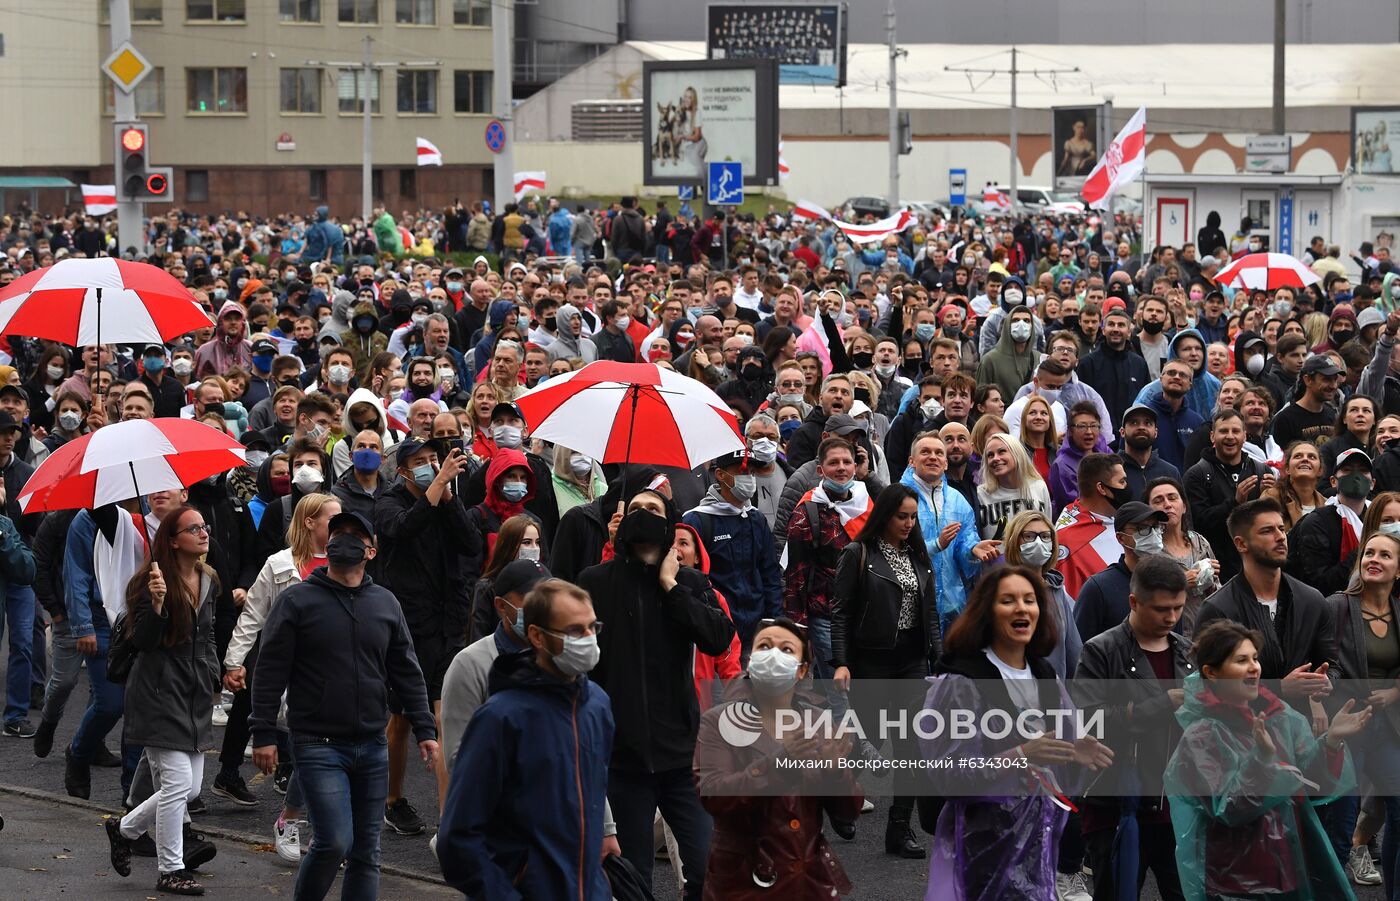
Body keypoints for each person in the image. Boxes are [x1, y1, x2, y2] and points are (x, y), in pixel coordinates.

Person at [250, 509, 439, 901]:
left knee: (366, 851)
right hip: (317, 744)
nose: (344, 539)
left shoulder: (385, 603)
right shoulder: (296, 601)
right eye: (338, 533)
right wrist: (263, 732)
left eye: (356, 535)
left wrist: (425, 729)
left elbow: (407, 670)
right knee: (334, 841)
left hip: (372, 744)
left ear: (371, 551)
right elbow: (269, 670)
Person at [918, 564, 1113, 901]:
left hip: (1039, 843)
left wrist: (1073, 751)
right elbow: (950, 774)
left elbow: (1062, 765)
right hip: (981, 845)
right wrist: (1022, 755)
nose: (1022, 608)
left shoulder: (1045, 675)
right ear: (986, 612)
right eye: (1008, 601)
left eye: (1030, 600)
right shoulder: (961, 682)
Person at [577, 488, 735, 899]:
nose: (644, 517)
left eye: (654, 510)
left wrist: (671, 584)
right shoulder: (595, 582)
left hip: (682, 756)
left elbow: (718, 637)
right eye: (635, 510)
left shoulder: (690, 582)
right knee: (633, 881)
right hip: (623, 760)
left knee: (708, 869)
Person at [1164, 619, 1368, 901]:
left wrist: (1332, 741)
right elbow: (1229, 809)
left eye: (1255, 658)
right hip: (1236, 880)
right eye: (1241, 660)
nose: (1254, 667)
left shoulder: (1278, 716)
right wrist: (1262, 760)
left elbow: (1310, 783)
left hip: (1288, 863)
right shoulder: (1202, 736)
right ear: (1211, 672)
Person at [437, 578, 615, 900]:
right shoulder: (501, 718)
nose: (588, 640)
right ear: (536, 636)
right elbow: (458, 838)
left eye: (593, 627)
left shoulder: (598, 706)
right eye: (574, 631)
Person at [692, 616, 863, 899]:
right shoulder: (718, 722)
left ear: (802, 670)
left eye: (786, 650)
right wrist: (781, 761)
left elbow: (847, 813)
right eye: (764, 646)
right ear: (750, 661)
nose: (773, 655)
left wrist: (836, 773)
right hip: (744, 882)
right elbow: (715, 796)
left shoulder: (819, 722)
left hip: (807, 883)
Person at [103, 507, 221, 897]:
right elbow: (144, 643)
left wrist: (215, 674)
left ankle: (124, 829)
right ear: (173, 539)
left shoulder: (208, 578)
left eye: (204, 526)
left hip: (195, 693)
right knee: (176, 784)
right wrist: (155, 606)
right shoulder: (147, 581)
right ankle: (170, 869)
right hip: (157, 691)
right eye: (194, 528)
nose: (203, 533)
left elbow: (207, 636)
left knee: (189, 789)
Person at [831, 484, 941, 858]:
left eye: (913, 517)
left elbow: (930, 614)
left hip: (911, 659)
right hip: (871, 658)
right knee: (872, 739)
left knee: (912, 743)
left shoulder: (918, 556)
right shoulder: (858, 553)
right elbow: (841, 611)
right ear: (885, 516)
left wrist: (940, 660)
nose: (909, 523)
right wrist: (841, 661)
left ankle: (899, 827)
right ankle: (837, 795)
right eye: (901, 516)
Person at [1073, 554, 1192, 901]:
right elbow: (1088, 720)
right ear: (1134, 602)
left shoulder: (1187, 651)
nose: (1171, 617)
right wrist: (1162, 704)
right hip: (1117, 805)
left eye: (1178, 608)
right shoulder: (1101, 650)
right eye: (1160, 609)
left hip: (1177, 809)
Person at [375, 436, 478, 834]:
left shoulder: (449, 501)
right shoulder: (389, 502)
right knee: (400, 718)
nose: (432, 466)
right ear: (403, 470)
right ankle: (392, 798)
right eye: (421, 461)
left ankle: (449, 821)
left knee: (443, 716)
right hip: (408, 626)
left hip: (449, 621)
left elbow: (470, 543)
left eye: (435, 458)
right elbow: (402, 529)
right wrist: (436, 490)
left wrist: (449, 499)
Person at [1197, 498, 1340, 715]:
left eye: (1282, 529)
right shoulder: (1217, 609)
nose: (1280, 536)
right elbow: (1209, 687)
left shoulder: (1312, 600)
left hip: (1299, 734)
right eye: (1267, 531)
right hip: (1241, 734)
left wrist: (1326, 681)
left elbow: (1332, 663)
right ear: (1241, 543)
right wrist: (1279, 690)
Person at [1326, 532, 1400, 891]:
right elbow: (1326, 661)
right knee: (1340, 823)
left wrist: (1395, 690)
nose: (1374, 559)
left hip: (1388, 728)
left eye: (1385, 555)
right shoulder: (1337, 606)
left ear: (1398, 570)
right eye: (1369, 552)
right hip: (1347, 725)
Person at [781, 437, 872, 679]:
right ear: (821, 470)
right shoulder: (806, 512)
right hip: (825, 617)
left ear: (856, 466)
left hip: (863, 616)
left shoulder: (867, 503)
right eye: (834, 463)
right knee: (839, 695)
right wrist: (798, 628)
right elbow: (795, 575)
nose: (841, 467)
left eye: (847, 461)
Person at [684, 451, 783, 652]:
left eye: (753, 473)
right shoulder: (696, 521)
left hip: (756, 632)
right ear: (720, 475)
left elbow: (770, 574)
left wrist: (773, 621)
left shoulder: (756, 519)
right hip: (717, 634)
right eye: (744, 472)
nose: (750, 479)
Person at [1185, 409, 1275, 582]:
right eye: (1223, 431)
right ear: (1212, 437)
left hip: (1256, 565)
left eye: (1235, 431)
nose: (1230, 436)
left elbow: (1271, 519)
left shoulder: (1261, 470)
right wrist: (1235, 502)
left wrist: (1267, 496)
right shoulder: (1197, 474)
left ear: (1245, 436)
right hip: (1217, 570)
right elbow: (1198, 523)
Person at [1074, 501, 1170, 643]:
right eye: (1143, 528)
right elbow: (1080, 647)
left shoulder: (1168, 581)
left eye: (1156, 527)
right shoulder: (1099, 587)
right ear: (1121, 538)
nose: (1153, 534)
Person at [1002, 510, 1081, 679]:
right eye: (1029, 536)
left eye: (1045, 536)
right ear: (1015, 541)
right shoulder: (1000, 591)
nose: (1039, 542)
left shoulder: (1057, 590)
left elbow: (1073, 650)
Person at [1288, 448, 1375, 598]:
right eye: (1347, 470)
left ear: (1372, 483)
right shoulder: (1316, 523)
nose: (1356, 476)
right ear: (1333, 481)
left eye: (1363, 470)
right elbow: (1319, 585)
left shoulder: (1382, 516)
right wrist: (1363, 550)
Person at [1145, 477, 1221, 636]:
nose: (1167, 504)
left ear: (1184, 506)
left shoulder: (1199, 542)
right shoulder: (1148, 551)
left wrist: (1211, 577)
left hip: (1210, 634)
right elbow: (1143, 595)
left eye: (1172, 498)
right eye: (1158, 501)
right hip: (1172, 636)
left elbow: (1218, 593)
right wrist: (1180, 580)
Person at [1054, 452, 1133, 601]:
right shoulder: (1069, 541)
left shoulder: (1120, 520)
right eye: (1122, 482)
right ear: (1102, 488)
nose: (1127, 487)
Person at [974, 432, 1052, 540]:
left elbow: (1048, 531)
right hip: (998, 556)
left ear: (1017, 453)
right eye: (990, 455)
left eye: (1002, 452)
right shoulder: (981, 494)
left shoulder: (1039, 486)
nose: (995, 458)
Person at [1274, 355, 1344, 450]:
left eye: (1335, 379)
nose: (1333, 386)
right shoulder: (1286, 418)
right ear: (1308, 380)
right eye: (1326, 379)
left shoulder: (1332, 414)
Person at [1263, 441, 1330, 532]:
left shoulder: (1327, 505)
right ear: (1287, 469)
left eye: (1312, 457)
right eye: (1298, 456)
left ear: (1320, 470)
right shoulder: (1272, 497)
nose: (1305, 459)